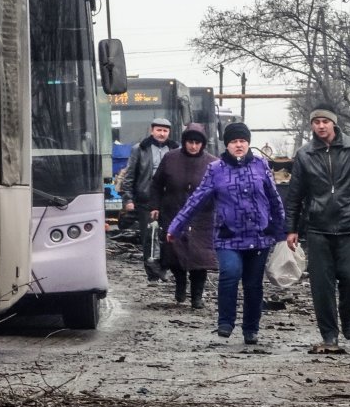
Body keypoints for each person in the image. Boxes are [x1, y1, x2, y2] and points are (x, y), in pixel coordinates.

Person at [167, 123, 285, 344]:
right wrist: (176, 226)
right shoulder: (216, 169)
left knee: (253, 284)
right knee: (230, 273)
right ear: (227, 145)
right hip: (228, 235)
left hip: (259, 236)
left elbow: (274, 199)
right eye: (233, 141)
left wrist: (282, 231)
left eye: (242, 141)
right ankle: (226, 322)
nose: (238, 145)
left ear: (248, 143)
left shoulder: (261, 165)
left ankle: (251, 328)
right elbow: (196, 200)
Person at [283, 104, 350, 349]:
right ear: (312, 126)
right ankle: (329, 335)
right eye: (316, 122)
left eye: (325, 121)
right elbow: (295, 195)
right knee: (321, 286)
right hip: (317, 227)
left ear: (333, 123)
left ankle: (346, 314)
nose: (321, 126)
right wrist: (292, 228)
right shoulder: (305, 154)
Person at [150, 123, 218, 308]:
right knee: (175, 253)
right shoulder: (170, 158)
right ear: (184, 142)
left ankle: (197, 296)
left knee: (200, 257)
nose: (193, 146)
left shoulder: (212, 163)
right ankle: (180, 285)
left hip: (202, 217)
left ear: (203, 144)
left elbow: (221, 190)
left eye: (197, 142)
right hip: (174, 211)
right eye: (190, 142)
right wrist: (155, 205)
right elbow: (156, 184)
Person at [122, 118, 179, 282]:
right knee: (149, 236)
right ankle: (153, 273)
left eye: (165, 131)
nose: (162, 134)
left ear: (169, 133)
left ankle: (164, 267)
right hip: (145, 200)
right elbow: (129, 176)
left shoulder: (175, 149)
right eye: (159, 130)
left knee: (167, 236)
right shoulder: (140, 149)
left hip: (169, 200)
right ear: (152, 131)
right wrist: (128, 199)